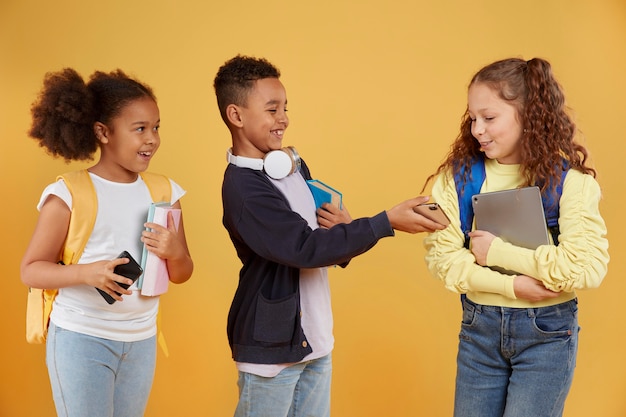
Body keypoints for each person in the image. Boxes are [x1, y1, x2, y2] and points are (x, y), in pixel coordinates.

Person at [214, 54, 447, 417]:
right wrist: (385, 222)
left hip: (315, 340)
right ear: (236, 115)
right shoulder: (244, 189)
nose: (284, 119)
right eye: (272, 109)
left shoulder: (289, 165)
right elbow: (304, 248)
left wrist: (343, 231)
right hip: (273, 350)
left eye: (285, 108)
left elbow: (321, 240)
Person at [422, 57, 609, 417]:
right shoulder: (458, 179)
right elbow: (444, 261)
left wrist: (496, 252)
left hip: (547, 338)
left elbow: (585, 269)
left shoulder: (572, 184)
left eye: (489, 118)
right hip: (480, 330)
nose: (477, 129)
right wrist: (513, 287)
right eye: (472, 118)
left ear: (529, 115)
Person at [21, 68, 194, 417]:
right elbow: (31, 270)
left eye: (156, 127)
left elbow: (182, 272)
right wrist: (87, 274)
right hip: (82, 338)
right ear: (103, 132)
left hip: (141, 340)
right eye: (140, 129)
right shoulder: (68, 193)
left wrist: (176, 253)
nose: (152, 139)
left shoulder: (165, 193)